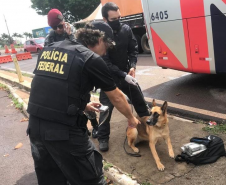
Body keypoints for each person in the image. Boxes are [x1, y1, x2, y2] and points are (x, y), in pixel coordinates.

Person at [26, 21, 140, 185]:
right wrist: (131, 118)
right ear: (100, 40)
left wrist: (83, 105)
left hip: (35, 128)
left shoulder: (50, 49)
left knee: (52, 180)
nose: (105, 52)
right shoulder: (90, 58)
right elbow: (116, 97)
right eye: (107, 47)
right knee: (91, 179)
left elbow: (52, 88)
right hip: (64, 132)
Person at [94, 2, 150, 152]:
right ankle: (103, 138)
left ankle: (148, 128)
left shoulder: (126, 29)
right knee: (106, 109)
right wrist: (122, 75)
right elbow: (104, 61)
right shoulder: (101, 36)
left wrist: (132, 66)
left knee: (139, 101)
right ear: (105, 19)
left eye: (119, 17)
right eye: (113, 19)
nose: (118, 21)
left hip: (126, 72)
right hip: (108, 78)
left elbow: (133, 49)